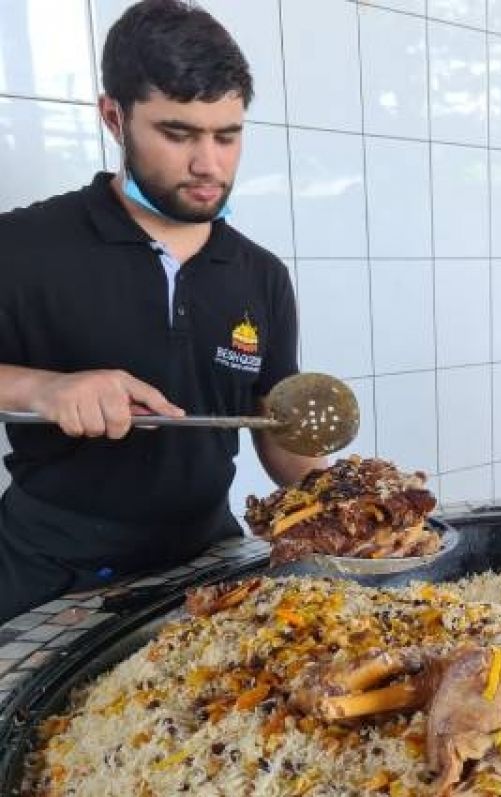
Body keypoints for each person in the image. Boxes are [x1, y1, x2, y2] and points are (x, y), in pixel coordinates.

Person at [0, 0, 323, 623]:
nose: (209, 164)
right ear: (114, 117)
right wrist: (45, 388)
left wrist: (344, 500)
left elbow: (275, 427)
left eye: (227, 136)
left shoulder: (262, 275)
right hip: (50, 568)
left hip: (207, 559)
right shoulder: (24, 247)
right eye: (178, 134)